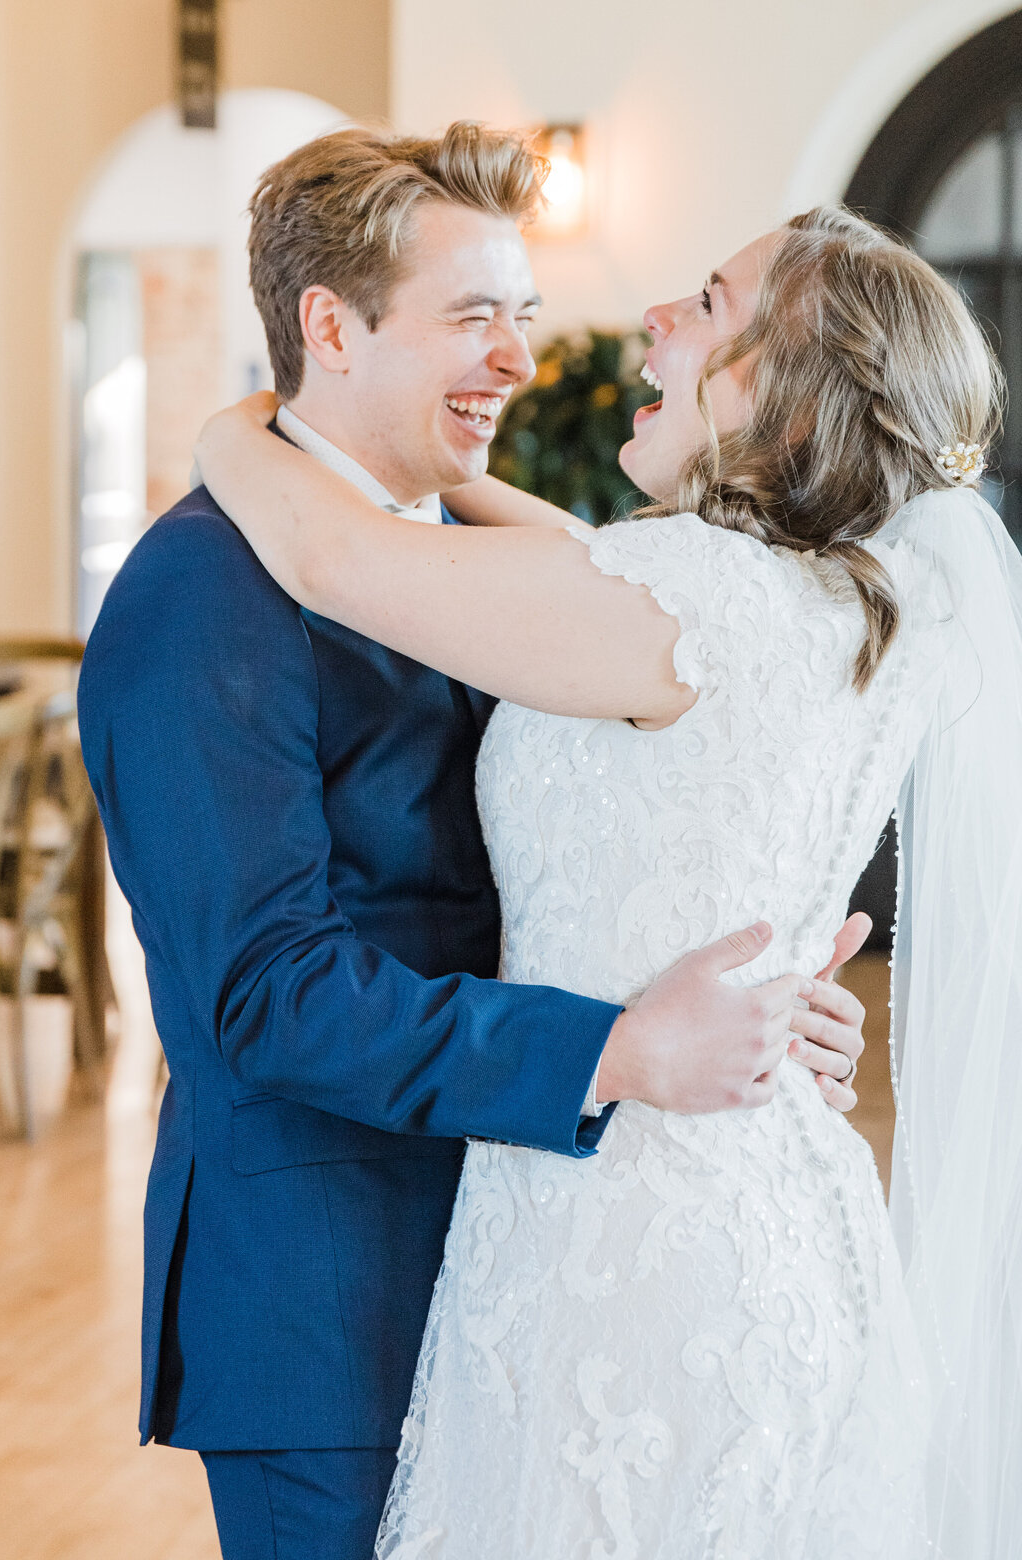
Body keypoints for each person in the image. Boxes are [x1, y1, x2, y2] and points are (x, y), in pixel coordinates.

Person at [76, 123, 869, 1560]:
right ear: (332, 326)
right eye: (473, 320)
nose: (518, 359)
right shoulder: (198, 597)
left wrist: (757, 1008)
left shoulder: (468, 571)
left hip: (529, 1260)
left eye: (523, 314)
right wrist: (620, 1050)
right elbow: (267, 997)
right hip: (332, 1306)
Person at [194, 192, 1022, 1558]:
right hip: (775, 1207)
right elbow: (577, 569)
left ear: (796, 412)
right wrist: (438, 463)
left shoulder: (681, 601)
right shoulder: (861, 602)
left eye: (708, 306)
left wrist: (242, 419)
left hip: (636, 1249)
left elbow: (331, 552)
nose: (654, 316)